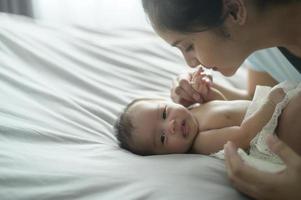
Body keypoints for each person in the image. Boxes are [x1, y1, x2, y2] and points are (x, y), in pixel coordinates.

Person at [141, 0, 301, 199]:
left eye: (189, 46)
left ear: (234, 11)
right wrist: (208, 93)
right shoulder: (259, 46)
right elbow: (254, 102)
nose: (190, 63)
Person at [115, 79, 300, 160]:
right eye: (162, 138)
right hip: (272, 128)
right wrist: (269, 104)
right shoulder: (201, 142)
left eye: (164, 113)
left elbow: (226, 107)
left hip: (269, 114)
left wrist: (210, 94)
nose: (170, 125)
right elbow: (244, 135)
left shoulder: (193, 112)